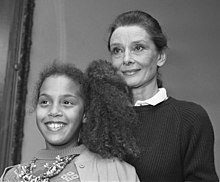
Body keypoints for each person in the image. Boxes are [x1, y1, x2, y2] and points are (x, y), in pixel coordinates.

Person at [107, 10, 219, 181]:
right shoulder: (98, 119)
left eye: (138, 48)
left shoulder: (189, 119)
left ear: (160, 57)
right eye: (117, 50)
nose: (126, 59)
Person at [0, 60, 140, 182]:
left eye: (67, 102)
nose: (54, 111)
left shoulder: (116, 172)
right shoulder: (12, 176)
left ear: (85, 114)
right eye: (44, 102)